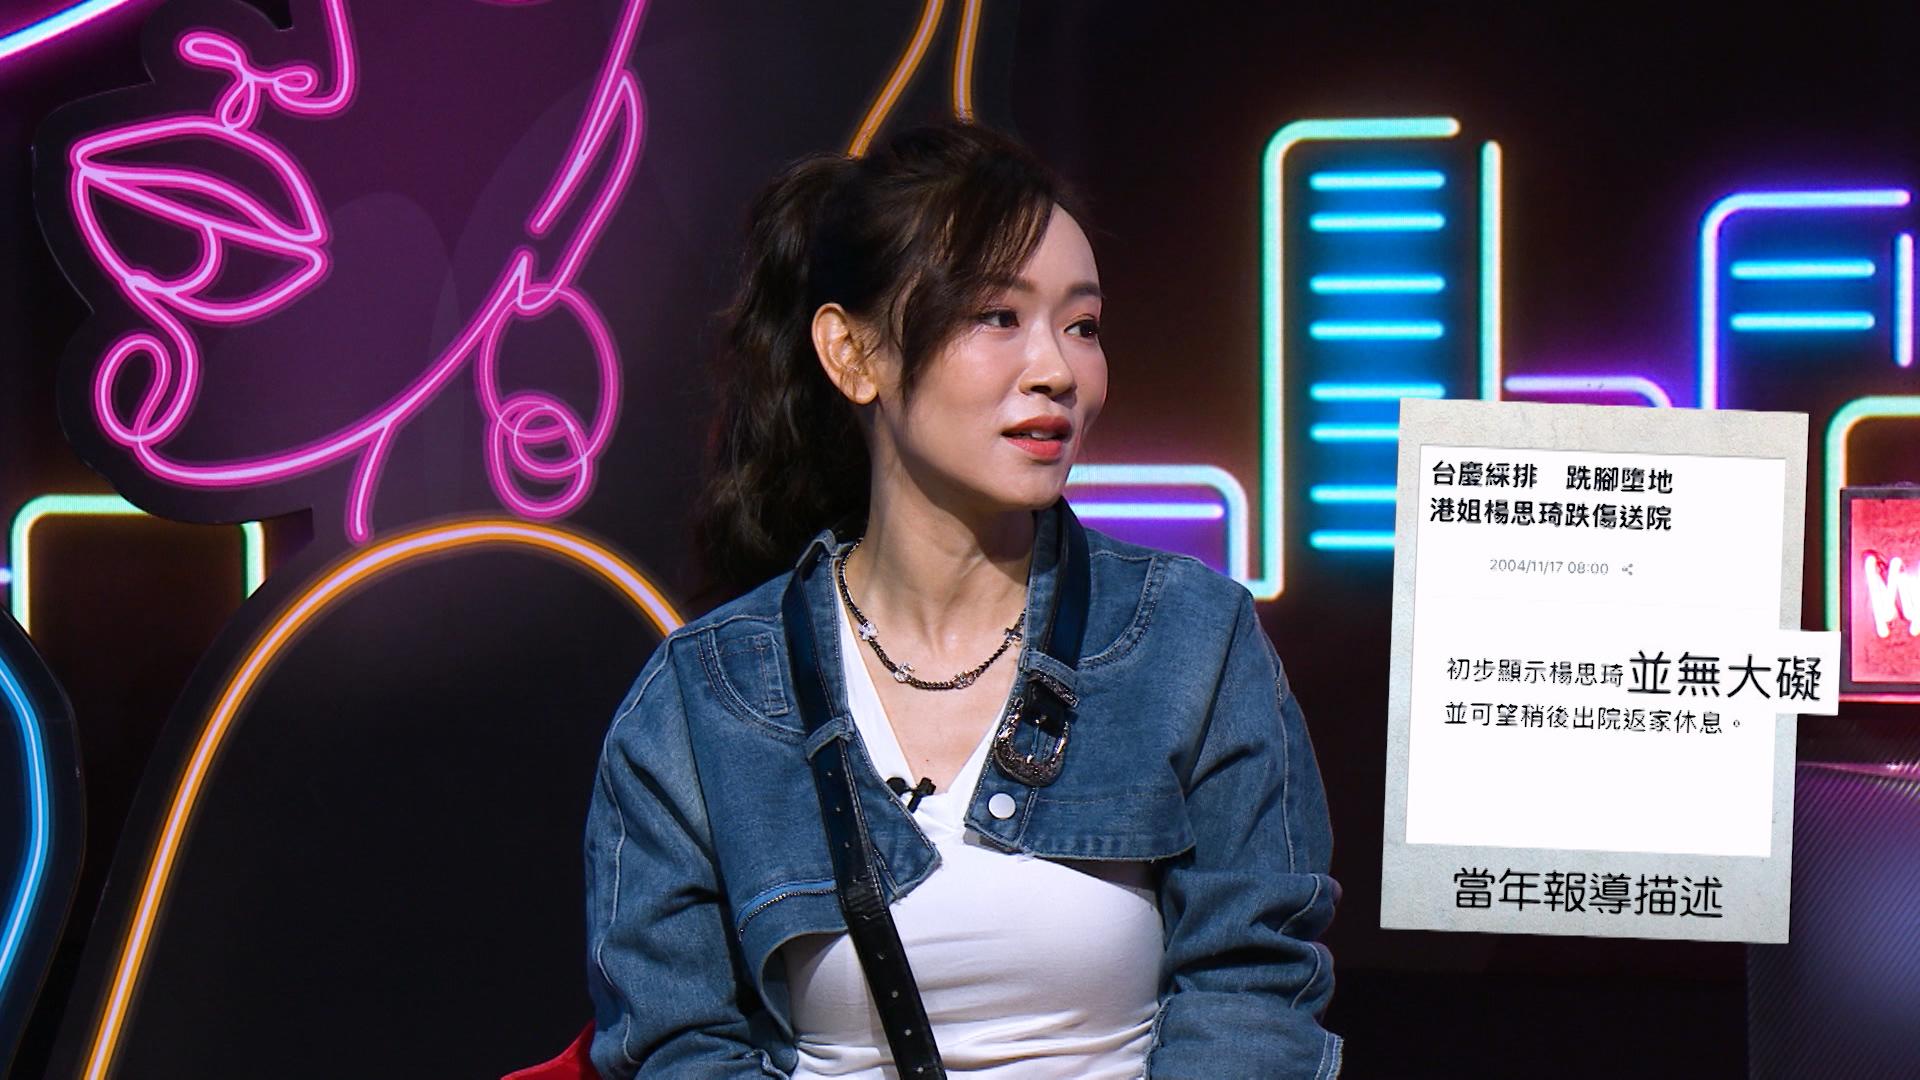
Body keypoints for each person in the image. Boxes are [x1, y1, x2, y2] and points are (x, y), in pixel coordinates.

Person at [584, 120, 1342, 1079]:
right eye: (996, 316)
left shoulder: (1193, 642)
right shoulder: (706, 700)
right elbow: (675, 1045)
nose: (1057, 370)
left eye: (1082, 325)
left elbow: (1255, 992)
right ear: (853, 354)